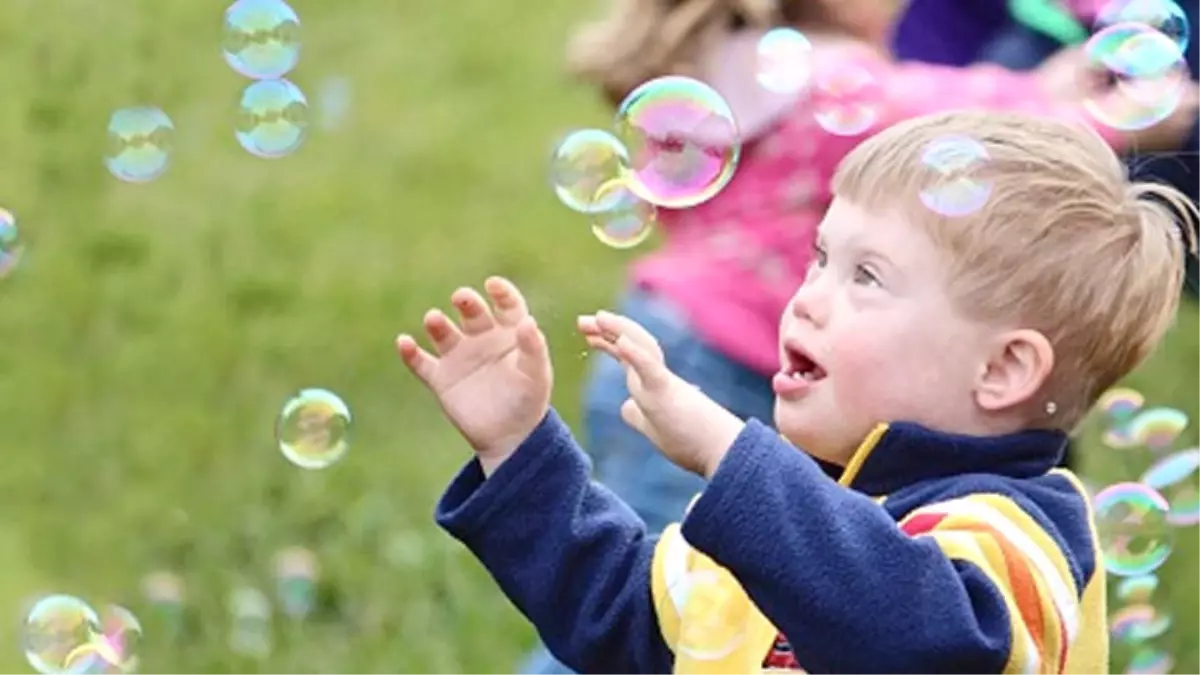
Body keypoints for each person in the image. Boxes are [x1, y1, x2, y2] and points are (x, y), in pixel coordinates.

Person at [398, 109, 1197, 673]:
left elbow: (918, 638)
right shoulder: (793, 514)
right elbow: (620, 617)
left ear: (1002, 369)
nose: (809, 295)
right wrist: (519, 450)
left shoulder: (1015, 541)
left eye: (868, 276)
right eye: (821, 256)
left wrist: (724, 450)